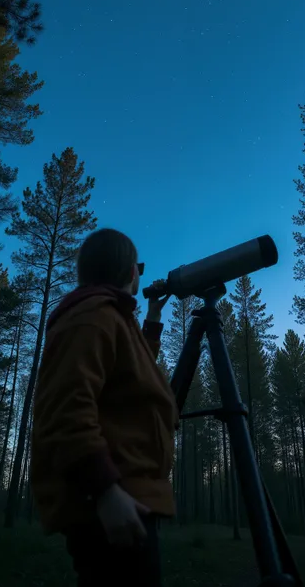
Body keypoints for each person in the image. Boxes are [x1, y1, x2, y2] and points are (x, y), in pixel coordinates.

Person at [30, 228, 178, 587]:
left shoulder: (109, 319)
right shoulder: (92, 316)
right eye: (139, 267)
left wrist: (154, 316)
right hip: (110, 500)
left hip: (125, 495)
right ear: (131, 272)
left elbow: (131, 372)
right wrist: (105, 491)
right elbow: (66, 408)